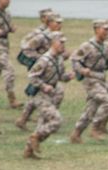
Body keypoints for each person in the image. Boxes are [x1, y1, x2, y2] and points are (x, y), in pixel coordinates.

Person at [20, 32, 68, 160]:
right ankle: (34, 137)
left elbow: (60, 76)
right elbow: (32, 76)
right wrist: (43, 86)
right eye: (60, 42)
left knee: (43, 124)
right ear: (53, 43)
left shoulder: (59, 59)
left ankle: (28, 151)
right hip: (40, 95)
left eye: (64, 42)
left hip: (51, 95)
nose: (63, 45)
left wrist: (69, 76)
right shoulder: (44, 60)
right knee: (56, 120)